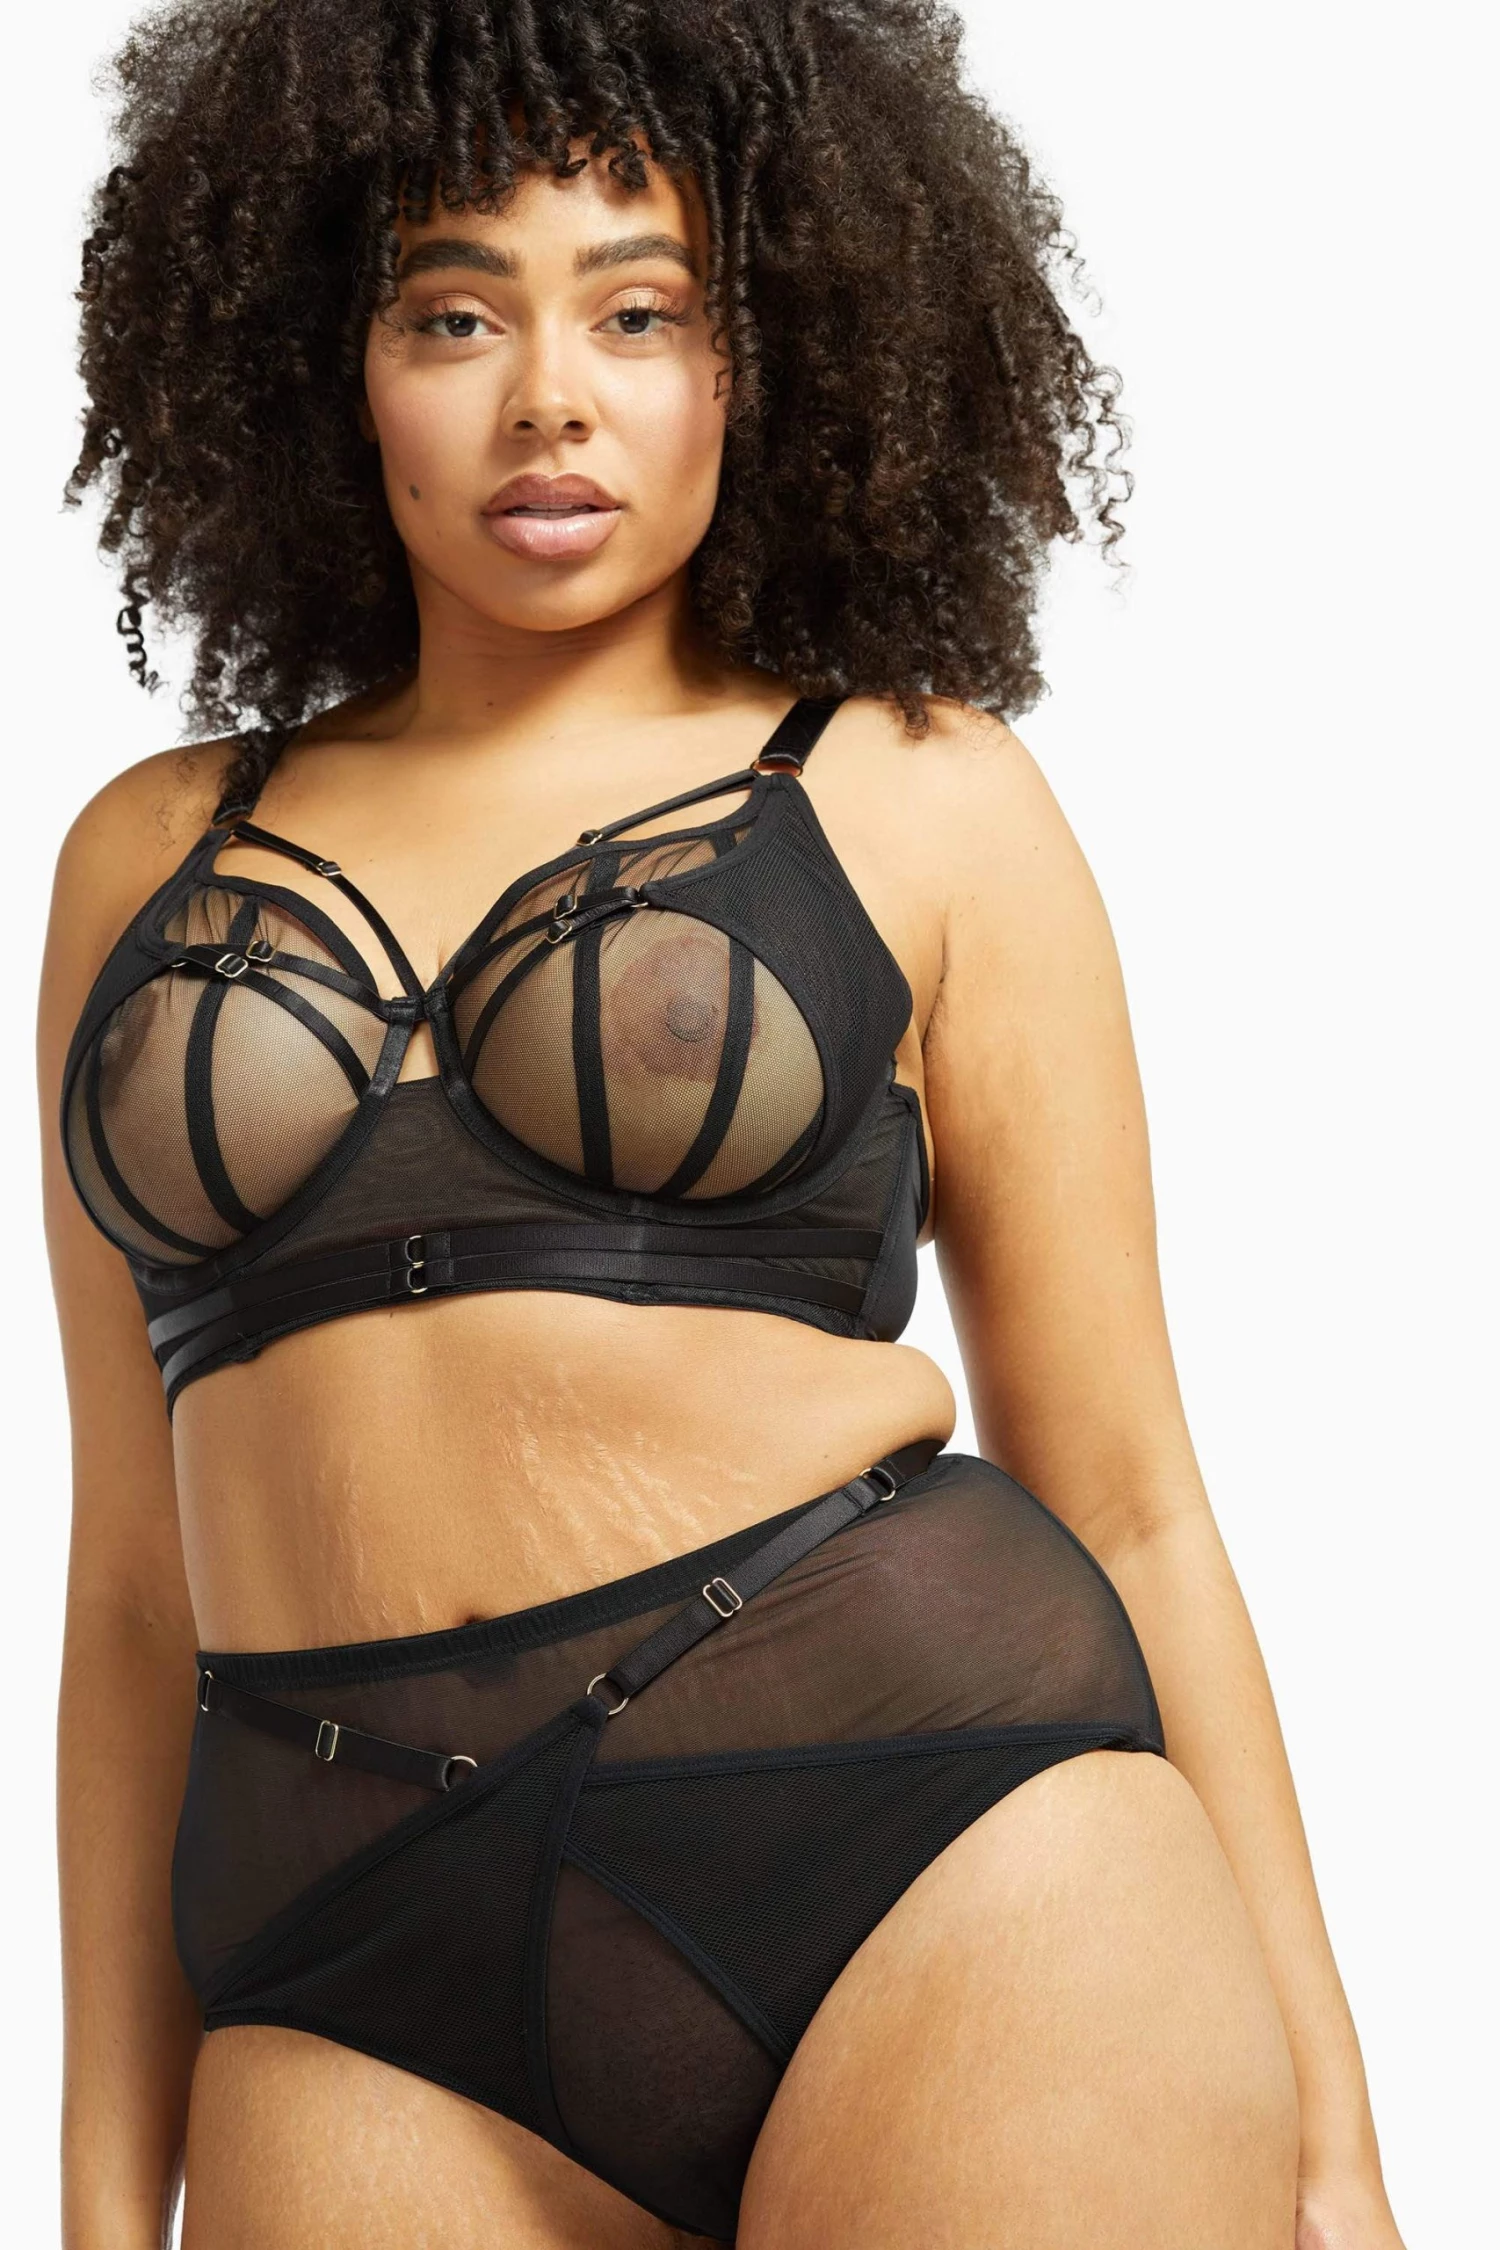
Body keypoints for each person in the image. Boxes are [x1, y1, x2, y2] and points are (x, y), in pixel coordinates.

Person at [40, 4, 1406, 2247]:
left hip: (936, 1863)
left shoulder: (921, 796)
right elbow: (124, 1590)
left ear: (765, 357)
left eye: (642, 310)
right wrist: (103, 2205)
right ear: (326, 359)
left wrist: (1334, 2150)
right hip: (354, 1962)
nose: (547, 396)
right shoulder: (149, 853)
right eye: (454, 311)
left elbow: (1134, 1495)